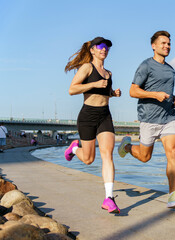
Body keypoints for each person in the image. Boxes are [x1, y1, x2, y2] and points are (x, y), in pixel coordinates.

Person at [118, 31, 175, 209]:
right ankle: (126, 147)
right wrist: (154, 95)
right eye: (163, 43)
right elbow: (133, 91)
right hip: (149, 118)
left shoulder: (171, 70)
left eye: (169, 44)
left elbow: (166, 93)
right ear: (154, 46)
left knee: (173, 152)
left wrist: (174, 99)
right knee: (144, 157)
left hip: (169, 117)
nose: (167, 46)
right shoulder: (145, 66)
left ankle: (172, 195)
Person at [64, 37, 122, 214]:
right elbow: (72, 89)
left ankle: (109, 198)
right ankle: (74, 149)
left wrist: (112, 93)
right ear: (92, 50)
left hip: (105, 115)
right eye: (101, 46)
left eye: (107, 48)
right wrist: (94, 83)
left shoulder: (109, 73)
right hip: (88, 116)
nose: (104, 50)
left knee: (108, 155)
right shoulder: (87, 68)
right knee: (89, 159)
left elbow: (102, 92)